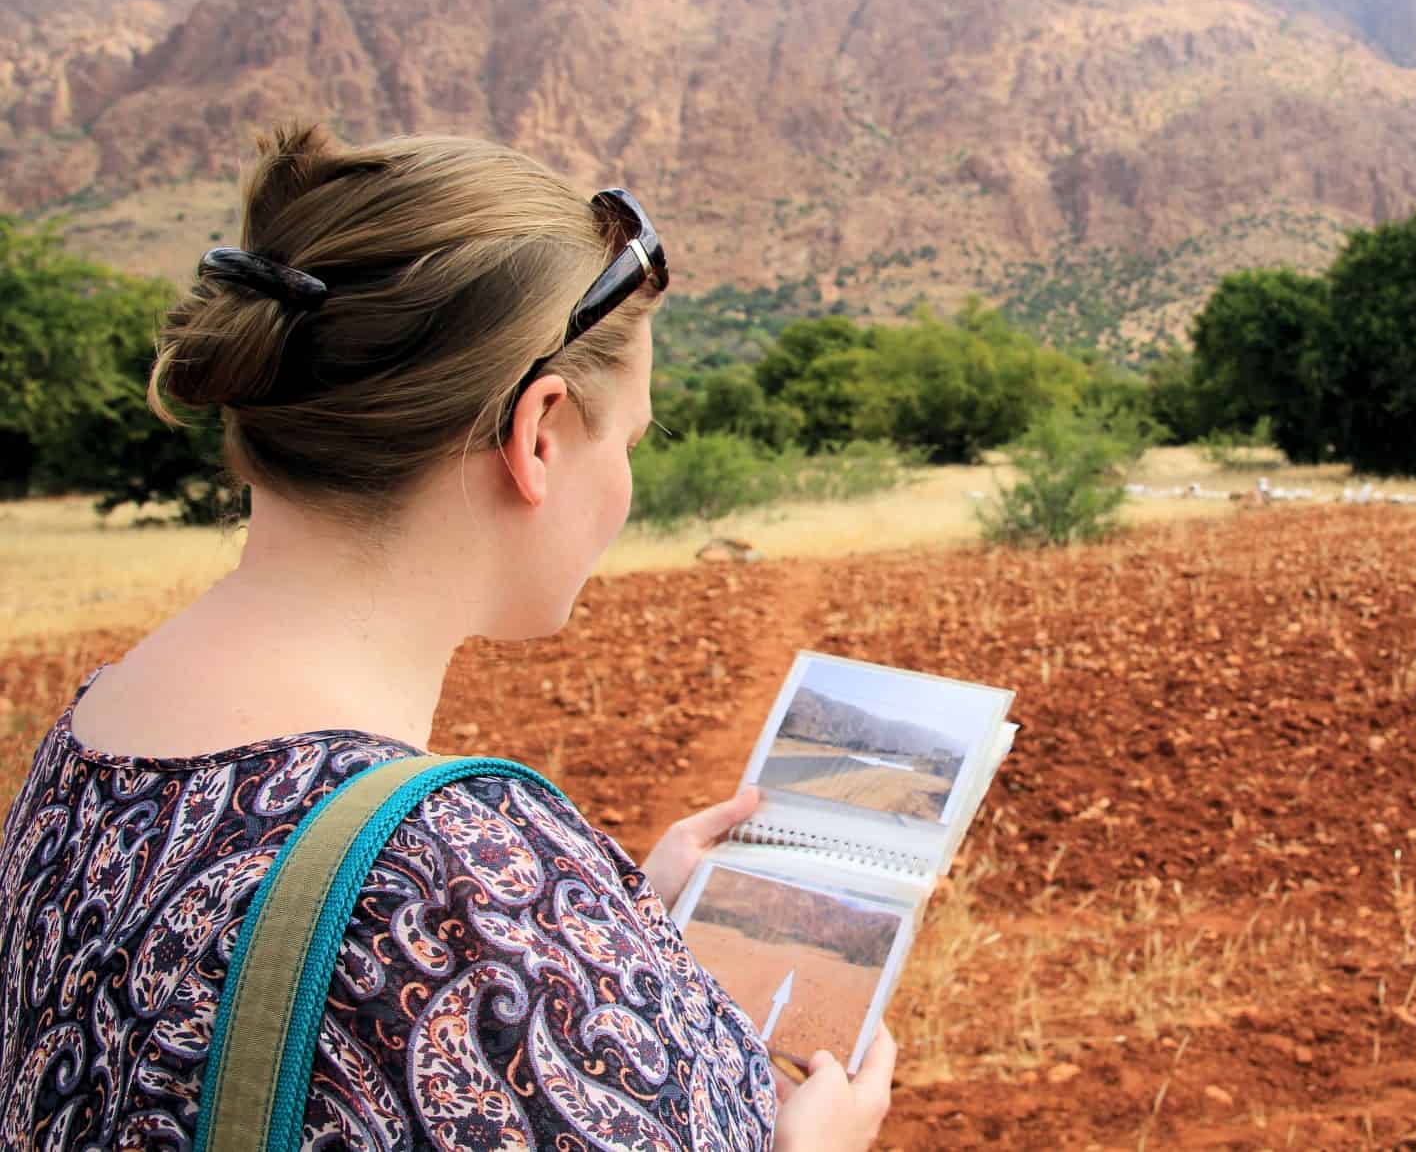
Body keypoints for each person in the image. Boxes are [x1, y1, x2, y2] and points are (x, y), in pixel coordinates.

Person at [0, 124, 895, 1150]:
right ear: (539, 434)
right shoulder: (456, 883)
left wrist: (605, 928)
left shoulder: (94, 735)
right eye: (632, 437)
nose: (627, 482)